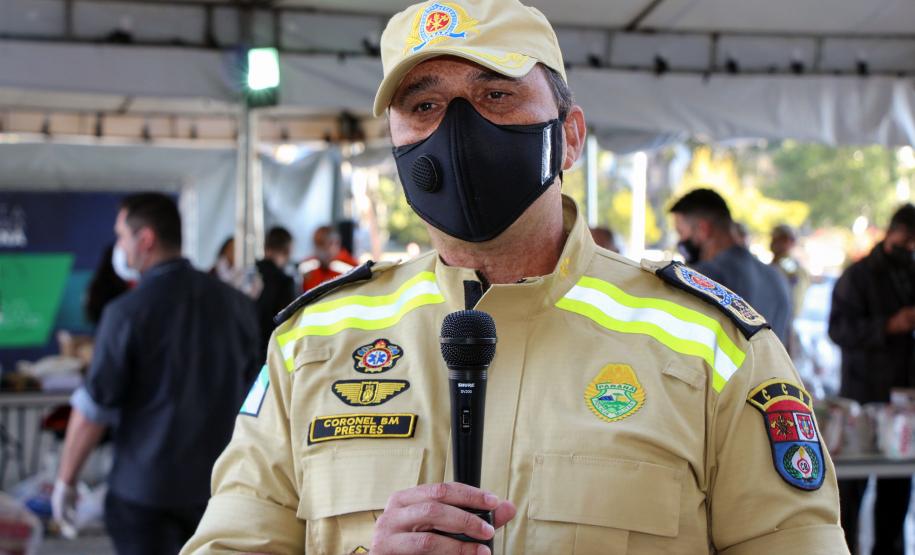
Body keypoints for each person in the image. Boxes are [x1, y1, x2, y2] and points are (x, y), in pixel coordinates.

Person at [183, 1, 847, 553]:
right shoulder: (314, 339)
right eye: (424, 105)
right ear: (393, 142)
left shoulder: (714, 346)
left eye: (494, 95)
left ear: (571, 136)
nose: (456, 129)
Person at [53, 193, 260, 555]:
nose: (120, 246)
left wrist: (66, 481)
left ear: (145, 239)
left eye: (121, 236)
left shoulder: (127, 313)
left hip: (144, 496)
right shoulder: (237, 305)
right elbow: (257, 399)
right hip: (219, 492)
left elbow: (93, 410)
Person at [828, 204, 915, 555]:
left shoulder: (910, 272)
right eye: (906, 240)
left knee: (896, 497)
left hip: (903, 401)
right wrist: (887, 326)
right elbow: (838, 329)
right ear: (891, 233)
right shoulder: (857, 276)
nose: (910, 248)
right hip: (861, 399)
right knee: (849, 496)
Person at [670, 188, 793, 344]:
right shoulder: (776, 278)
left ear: (703, 229)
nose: (681, 241)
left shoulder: (702, 279)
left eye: (681, 232)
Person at [255, 226, 296, 361]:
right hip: (271, 354)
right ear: (288, 250)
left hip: (246, 350)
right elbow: (289, 324)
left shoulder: (248, 274)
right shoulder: (285, 282)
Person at [298, 225, 360, 292]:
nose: (321, 250)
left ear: (336, 243)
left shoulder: (350, 265)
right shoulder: (307, 267)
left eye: (325, 244)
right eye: (318, 244)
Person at [770, 224, 811, 319]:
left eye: (778, 239)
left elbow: (794, 301)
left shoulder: (786, 263)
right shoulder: (781, 262)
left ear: (788, 241)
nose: (773, 242)